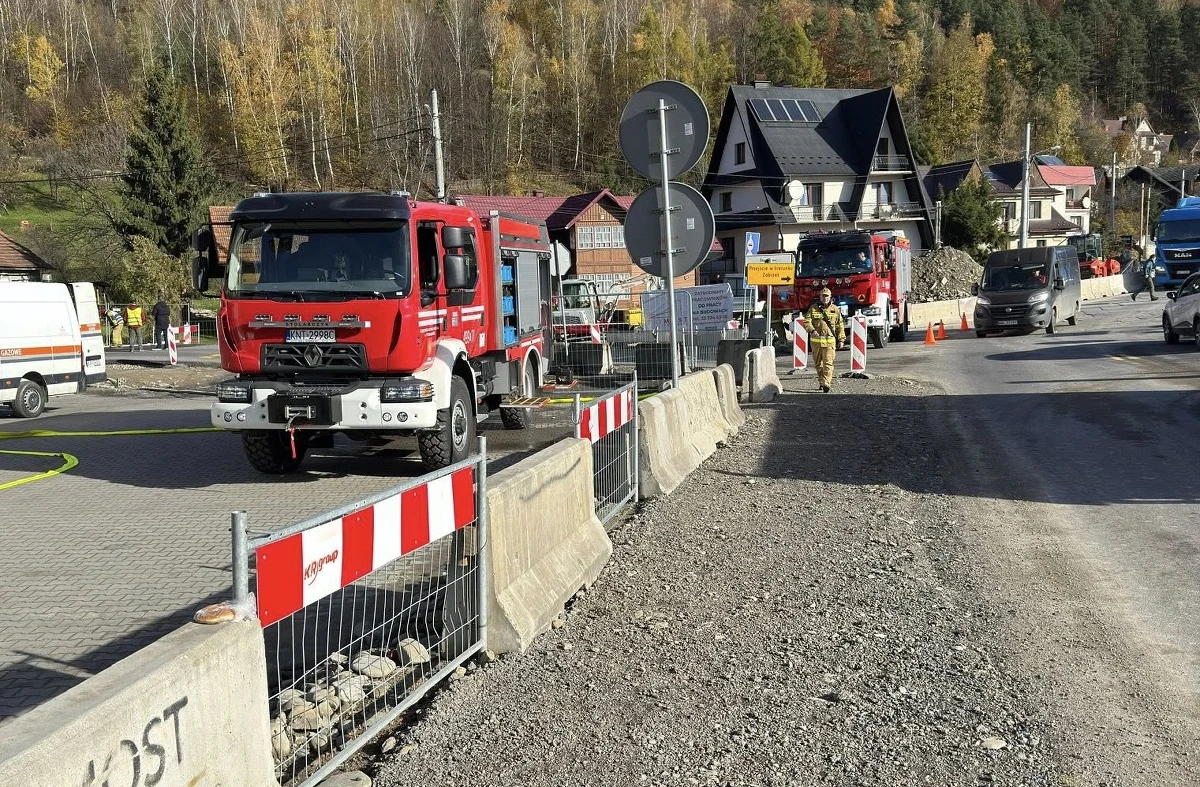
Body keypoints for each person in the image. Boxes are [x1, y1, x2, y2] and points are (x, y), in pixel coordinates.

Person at [805, 287, 845, 393]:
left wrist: (841, 339)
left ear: (830, 297)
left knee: (828, 363)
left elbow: (839, 325)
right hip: (816, 342)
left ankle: (827, 382)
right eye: (823, 296)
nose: (825, 298)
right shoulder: (813, 308)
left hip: (830, 342)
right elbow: (807, 321)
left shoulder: (835, 309)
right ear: (820, 297)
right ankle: (822, 381)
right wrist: (812, 331)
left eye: (827, 296)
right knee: (818, 364)